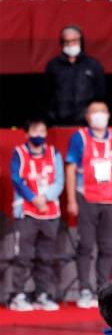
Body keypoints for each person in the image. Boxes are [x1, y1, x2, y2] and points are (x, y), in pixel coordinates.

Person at [66, 100, 112, 308]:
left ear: (109, 115)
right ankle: (85, 289)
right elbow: (70, 169)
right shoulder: (80, 138)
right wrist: (72, 199)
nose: (99, 115)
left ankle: (103, 290)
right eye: (95, 112)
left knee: (107, 247)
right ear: (87, 116)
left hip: (111, 200)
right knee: (85, 246)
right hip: (87, 199)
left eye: (103, 111)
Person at [8, 118, 64, 312]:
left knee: (45, 257)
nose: (39, 135)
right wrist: (34, 198)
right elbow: (16, 179)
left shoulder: (53, 153)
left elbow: (59, 181)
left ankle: (41, 294)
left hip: (50, 213)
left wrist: (46, 197)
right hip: (26, 211)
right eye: (35, 130)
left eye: (42, 131)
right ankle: (18, 295)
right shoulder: (19, 153)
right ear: (26, 133)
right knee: (23, 256)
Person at [45, 25, 106, 126]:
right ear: (62, 43)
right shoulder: (53, 65)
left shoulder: (93, 65)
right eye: (67, 41)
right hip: (60, 120)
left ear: (81, 41)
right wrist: (51, 115)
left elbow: (100, 93)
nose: (70, 44)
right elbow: (47, 93)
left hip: (86, 120)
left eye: (74, 41)